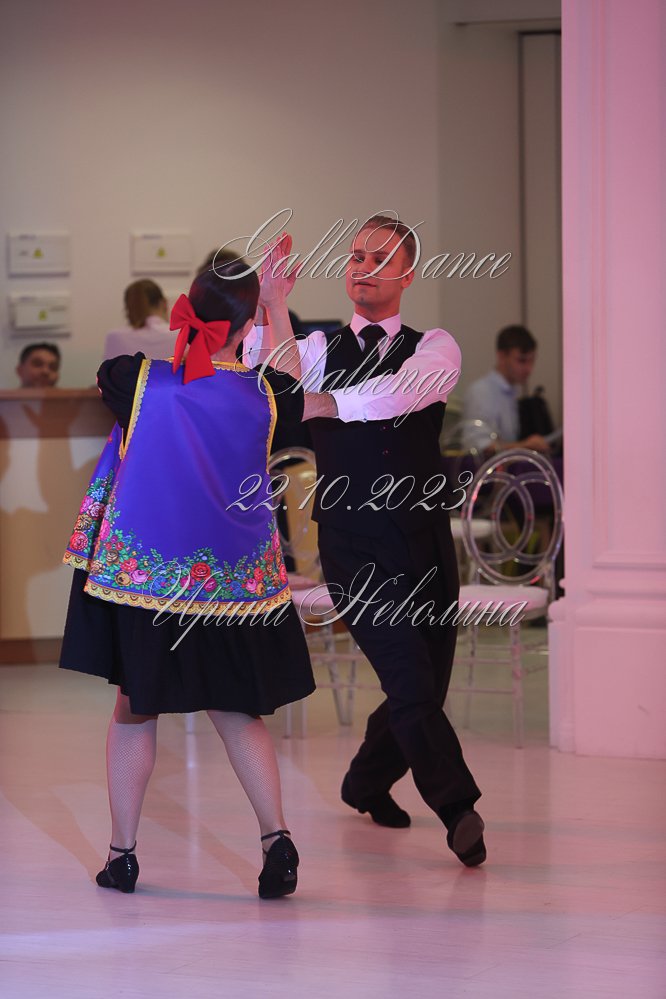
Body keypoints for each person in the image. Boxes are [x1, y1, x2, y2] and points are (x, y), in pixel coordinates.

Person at [60, 238, 314, 899]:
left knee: (133, 710)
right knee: (239, 713)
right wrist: (278, 306)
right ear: (248, 324)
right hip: (233, 588)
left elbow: (119, 380)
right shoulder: (266, 396)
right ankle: (277, 838)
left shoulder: (138, 379)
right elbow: (295, 388)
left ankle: (122, 855)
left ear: (190, 311)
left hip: (151, 586)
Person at [247, 215, 486, 868]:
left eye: (380, 258)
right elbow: (275, 378)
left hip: (424, 539)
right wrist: (273, 303)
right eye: (356, 256)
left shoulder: (435, 345)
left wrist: (325, 402)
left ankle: (365, 781)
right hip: (353, 542)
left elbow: (401, 393)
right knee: (409, 677)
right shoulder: (317, 345)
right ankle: (459, 809)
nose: (363, 267)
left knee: (424, 685)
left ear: (408, 274)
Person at [462, 325, 551, 454]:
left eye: (532, 361)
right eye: (522, 360)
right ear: (502, 356)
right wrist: (525, 446)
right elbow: (478, 447)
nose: (529, 369)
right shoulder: (480, 392)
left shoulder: (511, 393)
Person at [103, 279, 176, 360]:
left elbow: (108, 368)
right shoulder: (180, 335)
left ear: (128, 308)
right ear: (164, 303)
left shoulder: (114, 337)